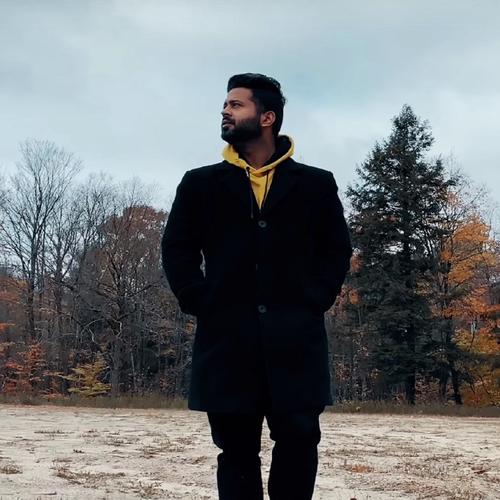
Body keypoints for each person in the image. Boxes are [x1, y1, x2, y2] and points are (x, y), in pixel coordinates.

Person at [161, 73, 352, 500]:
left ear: (267, 117)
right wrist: (197, 297)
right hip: (226, 341)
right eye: (225, 105)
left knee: (300, 441)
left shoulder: (316, 184)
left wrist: (316, 299)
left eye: (236, 104)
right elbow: (176, 248)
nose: (225, 111)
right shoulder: (199, 183)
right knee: (235, 450)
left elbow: (336, 250)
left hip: (296, 341)